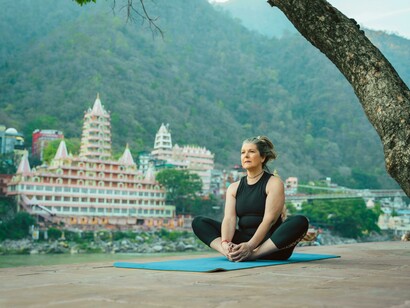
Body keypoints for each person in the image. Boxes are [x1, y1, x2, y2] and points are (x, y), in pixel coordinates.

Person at [192, 136, 309, 262]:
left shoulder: (274, 183)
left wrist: (250, 247)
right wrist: (226, 243)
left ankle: (252, 255)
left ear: (262, 158)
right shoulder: (233, 187)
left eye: (251, 152)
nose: (246, 155)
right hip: (242, 242)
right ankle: (229, 253)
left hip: (272, 246)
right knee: (199, 222)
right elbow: (229, 219)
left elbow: (269, 220)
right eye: (243, 152)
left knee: (300, 221)